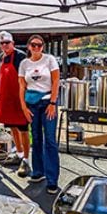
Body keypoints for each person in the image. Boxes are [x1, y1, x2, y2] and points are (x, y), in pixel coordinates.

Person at [19, 34, 61, 195]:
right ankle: (38, 170)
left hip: (46, 101)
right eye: (33, 45)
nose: (36, 48)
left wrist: (53, 103)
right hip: (32, 104)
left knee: (49, 139)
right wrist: (23, 107)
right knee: (35, 137)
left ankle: (52, 179)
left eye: (39, 45)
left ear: (43, 47)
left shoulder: (50, 60)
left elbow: (56, 81)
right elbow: (22, 86)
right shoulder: (24, 63)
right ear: (29, 46)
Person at [0, 31, 30, 176]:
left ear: (13, 43)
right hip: (6, 99)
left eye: (7, 43)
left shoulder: (21, 57)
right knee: (12, 127)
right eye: (2, 43)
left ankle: (26, 160)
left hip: (19, 99)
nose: (5, 45)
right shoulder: (2, 57)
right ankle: (19, 154)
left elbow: (27, 78)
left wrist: (25, 100)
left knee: (23, 130)